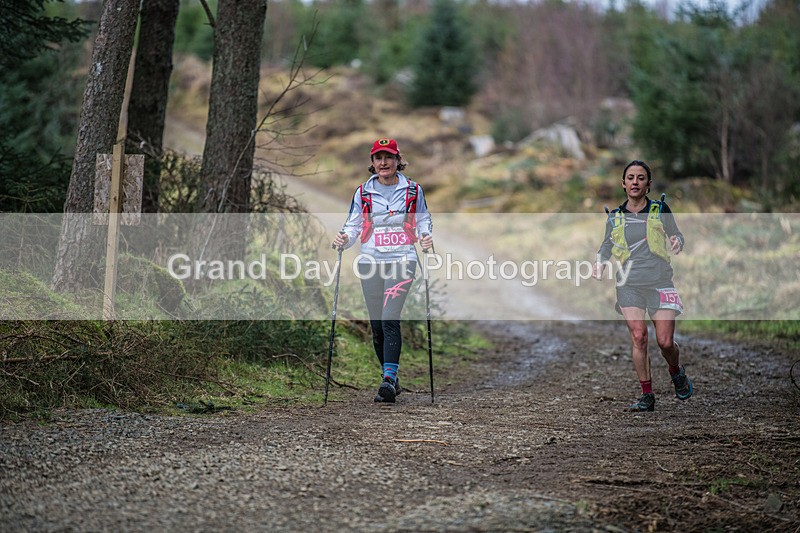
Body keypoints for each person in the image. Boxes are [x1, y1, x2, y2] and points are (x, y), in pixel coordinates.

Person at [332, 138, 433, 403]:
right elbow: (353, 226)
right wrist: (344, 238)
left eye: (389, 157)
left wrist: (425, 236)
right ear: (372, 162)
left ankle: (387, 380)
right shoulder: (362, 192)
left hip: (403, 259)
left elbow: (423, 218)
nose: (383, 163)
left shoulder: (413, 190)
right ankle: (392, 378)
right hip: (371, 262)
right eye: (378, 158)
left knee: (390, 317)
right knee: (377, 325)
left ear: (399, 160)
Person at [593, 160, 693, 412]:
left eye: (640, 178)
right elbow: (606, 246)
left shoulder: (660, 209)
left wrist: (676, 241)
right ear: (623, 183)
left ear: (648, 184)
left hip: (660, 281)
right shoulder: (615, 217)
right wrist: (600, 262)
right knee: (639, 337)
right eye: (630, 177)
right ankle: (647, 394)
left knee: (666, 342)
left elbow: (677, 234)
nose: (635, 182)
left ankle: (675, 371)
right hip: (629, 284)